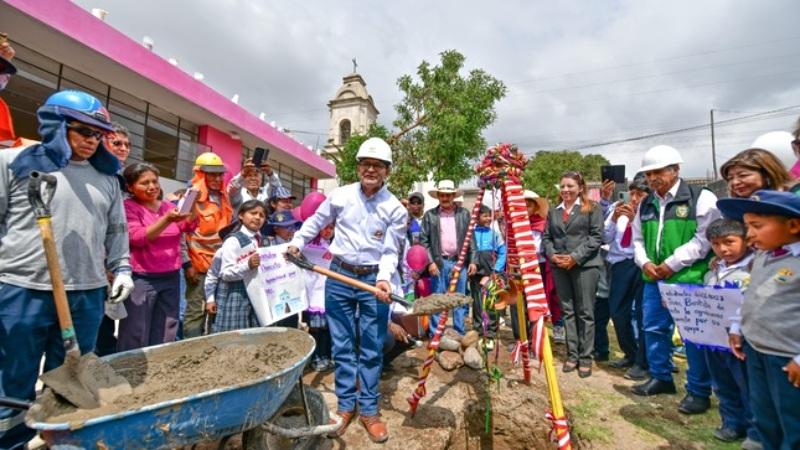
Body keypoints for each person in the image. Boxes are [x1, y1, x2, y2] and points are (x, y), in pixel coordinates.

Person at [0, 90, 133, 448]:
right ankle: (11, 441)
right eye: (83, 132)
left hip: (86, 291)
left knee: (70, 375)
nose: (92, 141)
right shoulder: (13, 163)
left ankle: (57, 437)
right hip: (21, 287)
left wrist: (122, 269)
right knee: (14, 375)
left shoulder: (106, 178)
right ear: (57, 126)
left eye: (97, 135)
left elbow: (116, 230)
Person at [287, 137, 406, 443]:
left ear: (387, 171)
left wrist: (383, 279)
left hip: (371, 282)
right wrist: (297, 242)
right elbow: (316, 221)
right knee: (341, 345)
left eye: (377, 165)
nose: (370, 169)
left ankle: (368, 410)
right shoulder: (340, 196)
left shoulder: (395, 208)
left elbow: (392, 251)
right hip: (338, 275)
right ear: (357, 167)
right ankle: (345, 407)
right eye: (365, 163)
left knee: (370, 346)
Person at [631, 145, 720, 417]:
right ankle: (661, 377)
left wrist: (671, 264)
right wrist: (644, 262)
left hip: (688, 278)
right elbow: (636, 239)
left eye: (659, 172)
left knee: (693, 335)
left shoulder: (699, 197)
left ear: (676, 170)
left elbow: (705, 238)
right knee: (655, 328)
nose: (653, 178)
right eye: (649, 173)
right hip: (652, 278)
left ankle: (698, 391)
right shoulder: (646, 203)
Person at [718, 190, 800, 450]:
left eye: (757, 226)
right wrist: (737, 327)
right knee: (765, 418)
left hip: (788, 361)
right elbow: (750, 296)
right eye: (746, 226)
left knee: (792, 423)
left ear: (793, 225)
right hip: (757, 351)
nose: (749, 234)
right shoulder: (763, 256)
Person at [119, 163, 196, 351]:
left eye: (155, 181)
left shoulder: (168, 207)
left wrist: (193, 206)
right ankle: (131, 370)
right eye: (144, 183)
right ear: (130, 187)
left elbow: (187, 227)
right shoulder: (128, 207)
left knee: (166, 329)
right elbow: (137, 238)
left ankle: (158, 370)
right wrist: (166, 220)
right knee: (136, 331)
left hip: (170, 276)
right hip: (142, 278)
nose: (152, 186)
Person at [700, 218, 760, 447]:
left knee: (747, 385)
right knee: (722, 383)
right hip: (714, 338)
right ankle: (731, 423)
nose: (723, 249)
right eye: (716, 244)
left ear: (745, 240)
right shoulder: (714, 269)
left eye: (729, 242)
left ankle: (755, 429)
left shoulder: (754, 267)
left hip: (742, 342)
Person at [543, 171, 604, 378]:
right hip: (560, 267)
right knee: (567, 311)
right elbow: (547, 238)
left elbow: (597, 237)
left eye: (570, 186)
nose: (566, 190)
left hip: (585, 267)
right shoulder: (554, 212)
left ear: (580, 188)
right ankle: (572, 354)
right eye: (562, 186)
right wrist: (553, 256)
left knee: (585, 312)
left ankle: (586, 357)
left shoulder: (592, 208)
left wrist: (575, 257)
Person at [603, 174, 649, 377]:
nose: (635, 199)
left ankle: (643, 361)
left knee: (642, 314)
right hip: (621, 264)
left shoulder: (651, 212)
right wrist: (613, 220)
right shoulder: (617, 208)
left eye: (640, 195)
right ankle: (630, 352)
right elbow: (604, 237)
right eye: (633, 193)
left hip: (643, 265)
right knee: (617, 312)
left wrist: (636, 221)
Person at [183, 152, 233, 338]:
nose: (217, 178)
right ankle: (190, 355)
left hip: (220, 267)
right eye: (212, 174)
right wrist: (186, 264)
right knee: (195, 314)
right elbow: (180, 233)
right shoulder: (190, 197)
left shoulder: (223, 196)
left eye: (219, 174)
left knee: (216, 312)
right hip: (198, 267)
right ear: (200, 173)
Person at [420, 179, 477, 336]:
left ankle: (458, 333)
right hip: (439, 263)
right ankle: (435, 334)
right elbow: (424, 241)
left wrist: (473, 260)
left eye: (448, 195)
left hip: (459, 262)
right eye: (442, 195)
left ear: (453, 196)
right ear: (438, 196)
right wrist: (430, 262)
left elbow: (470, 238)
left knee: (459, 299)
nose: (445, 198)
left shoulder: (464, 214)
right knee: (438, 299)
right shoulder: (430, 215)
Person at [207, 199, 266, 333]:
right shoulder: (233, 241)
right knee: (233, 337)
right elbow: (224, 273)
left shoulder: (262, 240)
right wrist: (247, 265)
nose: (257, 217)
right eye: (253, 213)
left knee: (253, 335)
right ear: (241, 215)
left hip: (254, 295)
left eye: (262, 215)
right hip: (234, 295)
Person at [523, 190, 563, 343]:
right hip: (526, 268)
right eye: (523, 206)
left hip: (542, 265)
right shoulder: (518, 225)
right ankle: (529, 333)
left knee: (550, 296)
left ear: (535, 208)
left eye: (529, 206)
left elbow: (547, 242)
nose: (526, 209)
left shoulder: (544, 223)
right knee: (527, 300)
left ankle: (557, 326)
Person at [469, 205, 507, 346]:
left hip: (490, 274)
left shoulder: (494, 234)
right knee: (477, 303)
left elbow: (503, 252)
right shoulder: (471, 234)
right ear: (477, 217)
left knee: (490, 302)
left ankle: (490, 333)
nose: (488, 219)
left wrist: (496, 270)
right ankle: (478, 331)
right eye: (484, 216)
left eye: (489, 216)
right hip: (475, 274)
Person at [720, 147, 794, 199]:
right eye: (730, 178)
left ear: (767, 174)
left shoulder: (794, 199)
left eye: (743, 175)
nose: (735, 182)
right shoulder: (732, 211)